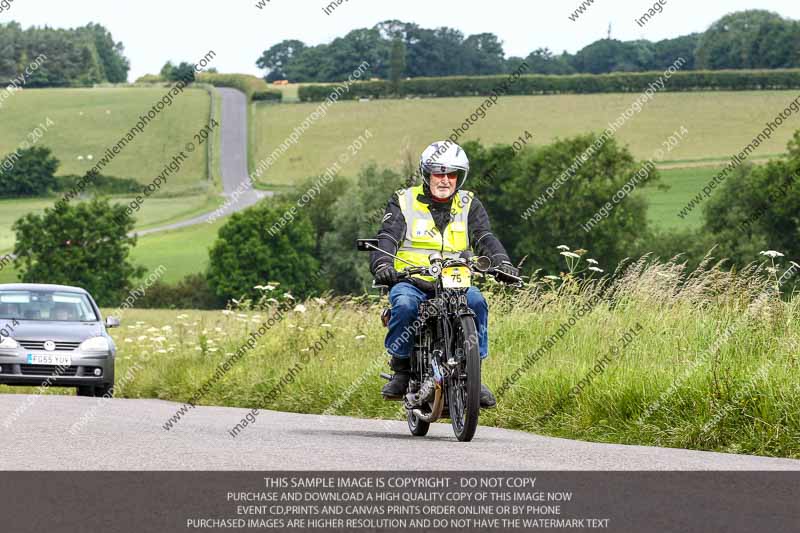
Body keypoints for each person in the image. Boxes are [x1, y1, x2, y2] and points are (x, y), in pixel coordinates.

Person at [369, 140, 518, 408]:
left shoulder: (469, 203)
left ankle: (474, 374)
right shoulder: (404, 200)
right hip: (411, 279)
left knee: (477, 303)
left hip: (455, 280)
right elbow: (387, 238)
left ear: (460, 177)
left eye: (452, 174)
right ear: (427, 174)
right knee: (403, 305)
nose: (445, 180)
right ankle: (401, 370)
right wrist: (383, 266)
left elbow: (484, 236)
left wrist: (502, 263)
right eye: (439, 173)